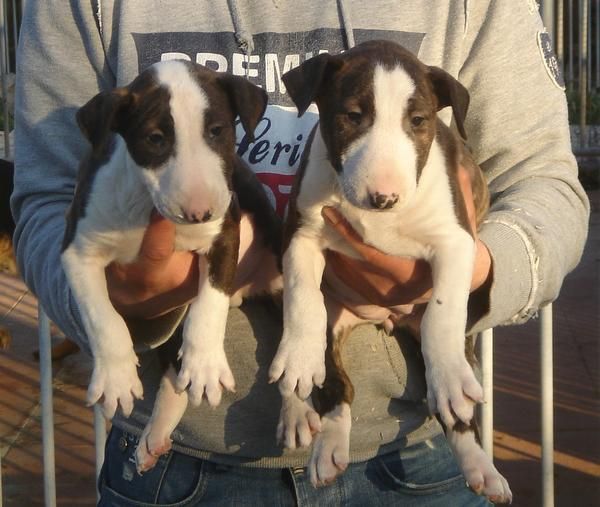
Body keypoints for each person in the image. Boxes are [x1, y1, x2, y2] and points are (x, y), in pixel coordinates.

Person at [12, 1, 589, 505]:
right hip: (176, 470)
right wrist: (121, 307)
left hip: (411, 451)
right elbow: (47, 202)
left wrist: (473, 280)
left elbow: (545, 183)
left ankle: (452, 437)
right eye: (352, 117)